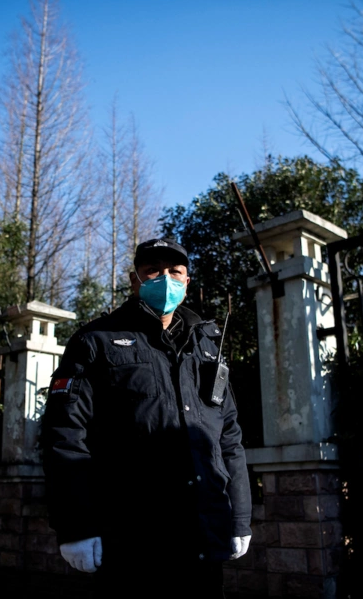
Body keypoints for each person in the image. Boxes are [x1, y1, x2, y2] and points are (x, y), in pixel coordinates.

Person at [41, 238, 252, 598]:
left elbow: (227, 436)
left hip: (203, 538)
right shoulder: (96, 341)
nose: (164, 278)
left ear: (187, 282)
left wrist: (240, 516)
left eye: (175, 271)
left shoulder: (206, 345)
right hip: (132, 541)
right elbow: (65, 436)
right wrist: (77, 526)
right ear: (134, 280)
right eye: (152, 270)